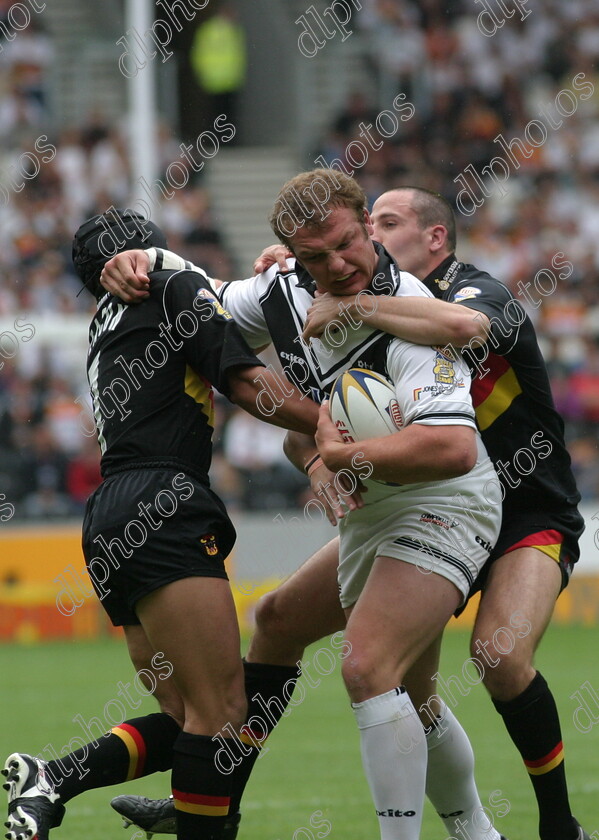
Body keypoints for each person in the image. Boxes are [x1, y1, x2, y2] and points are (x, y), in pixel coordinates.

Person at [105, 183, 589, 840]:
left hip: (502, 505)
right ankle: (220, 802)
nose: (342, 259)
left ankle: (556, 824)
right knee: (291, 629)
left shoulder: (435, 301)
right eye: (315, 254)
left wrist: (343, 427)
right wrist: (146, 261)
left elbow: (460, 364)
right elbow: (285, 392)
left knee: (448, 662)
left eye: (368, 232)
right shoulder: (289, 290)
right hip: (386, 508)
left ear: (411, 234)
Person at [2, 209, 318, 840]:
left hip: (112, 513)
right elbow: (244, 381)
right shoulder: (172, 283)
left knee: (188, 720)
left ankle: (53, 779)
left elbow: (221, 332)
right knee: (222, 714)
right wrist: (327, 426)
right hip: (165, 501)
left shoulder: (105, 321)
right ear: (145, 251)